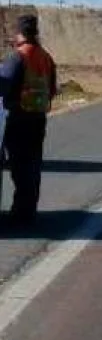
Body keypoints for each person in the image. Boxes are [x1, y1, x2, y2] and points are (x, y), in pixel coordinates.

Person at [0, 14, 56, 226]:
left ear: (19, 33)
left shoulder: (17, 57)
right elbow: (52, 88)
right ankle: (28, 208)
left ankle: (20, 212)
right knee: (32, 164)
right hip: (38, 117)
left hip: (18, 118)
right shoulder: (45, 57)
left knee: (19, 166)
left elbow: (3, 87)